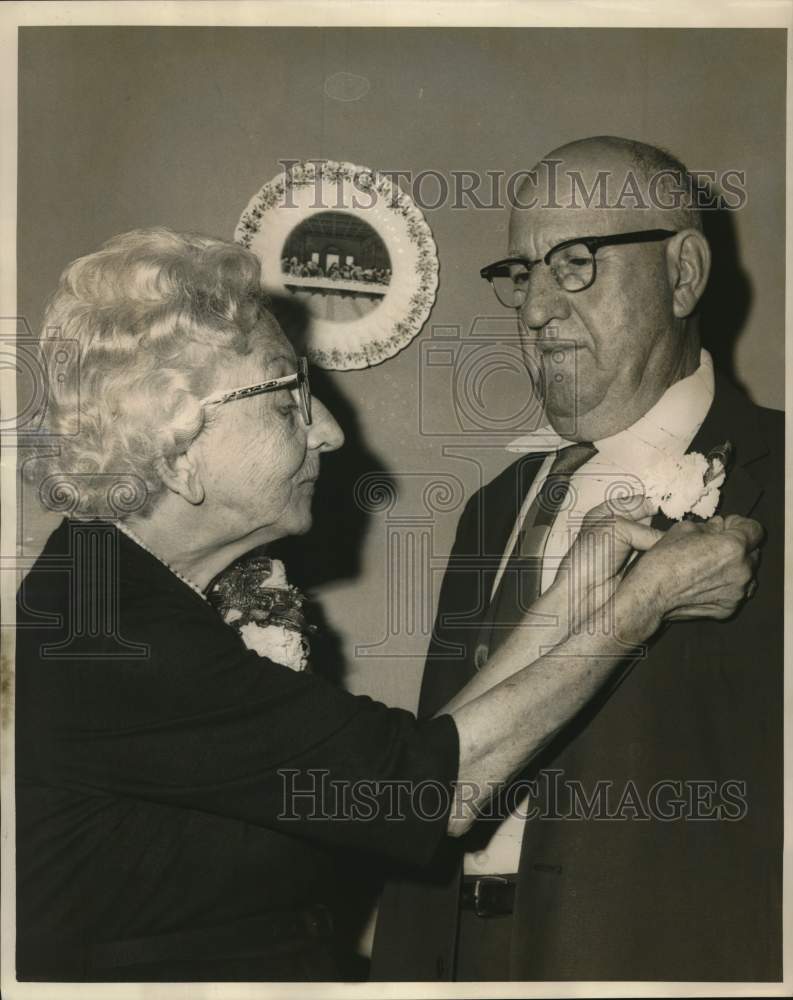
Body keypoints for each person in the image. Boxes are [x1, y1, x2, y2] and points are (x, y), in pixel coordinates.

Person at [15, 227, 761, 983]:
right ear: (176, 447)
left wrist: (577, 588)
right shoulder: (110, 631)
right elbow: (430, 791)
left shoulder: (128, 593)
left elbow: (414, 765)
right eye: (287, 399)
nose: (330, 431)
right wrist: (636, 609)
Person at [373, 136, 784, 982]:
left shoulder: (775, 476)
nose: (532, 310)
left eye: (574, 264)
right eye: (522, 274)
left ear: (682, 274)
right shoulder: (494, 506)